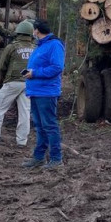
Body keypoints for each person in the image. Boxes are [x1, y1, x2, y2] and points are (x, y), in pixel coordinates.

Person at [0, 20, 36, 148]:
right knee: (25, 113)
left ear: (18, 33)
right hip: (29, 84)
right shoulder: (35, 48)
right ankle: (22, 141)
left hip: (13, 82)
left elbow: (2, 65)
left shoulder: (12, 47)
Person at [21, 20, 66, 170]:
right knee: (40, 126)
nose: (33, 33)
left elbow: (57, 67)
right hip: (36, 91)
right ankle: (39, 157)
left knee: (49, 126)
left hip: (46, 92)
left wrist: (35, 73)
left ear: (37, 31)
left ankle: (56, 159)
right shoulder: (41, 46)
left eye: (34, 30)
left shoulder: (54, 45)